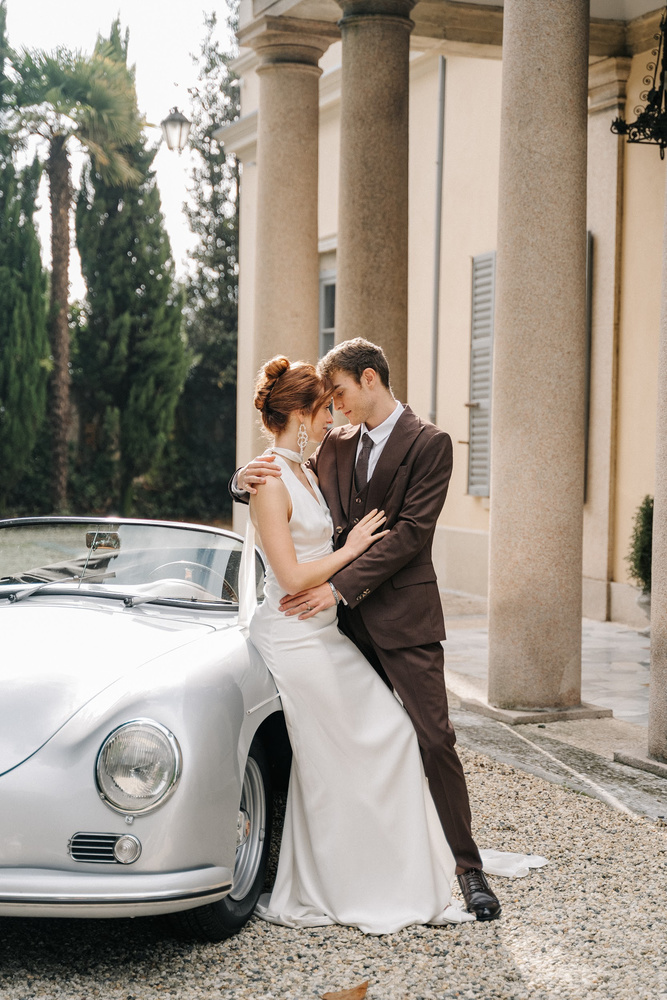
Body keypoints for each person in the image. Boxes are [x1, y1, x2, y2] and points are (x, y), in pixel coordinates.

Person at [235, 338, 501, 922]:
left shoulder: (431, 444)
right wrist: (241, 479)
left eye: (342, 394)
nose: (336, 407)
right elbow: (279, 483)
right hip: (334, 627)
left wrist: (336, 587)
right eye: (326, 401)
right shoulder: (332, 445)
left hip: (397, 617)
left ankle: (468, 869)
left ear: (371, 379)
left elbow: (409, 535)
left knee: (431, 737)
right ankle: (365, 862)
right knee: (360, 742)